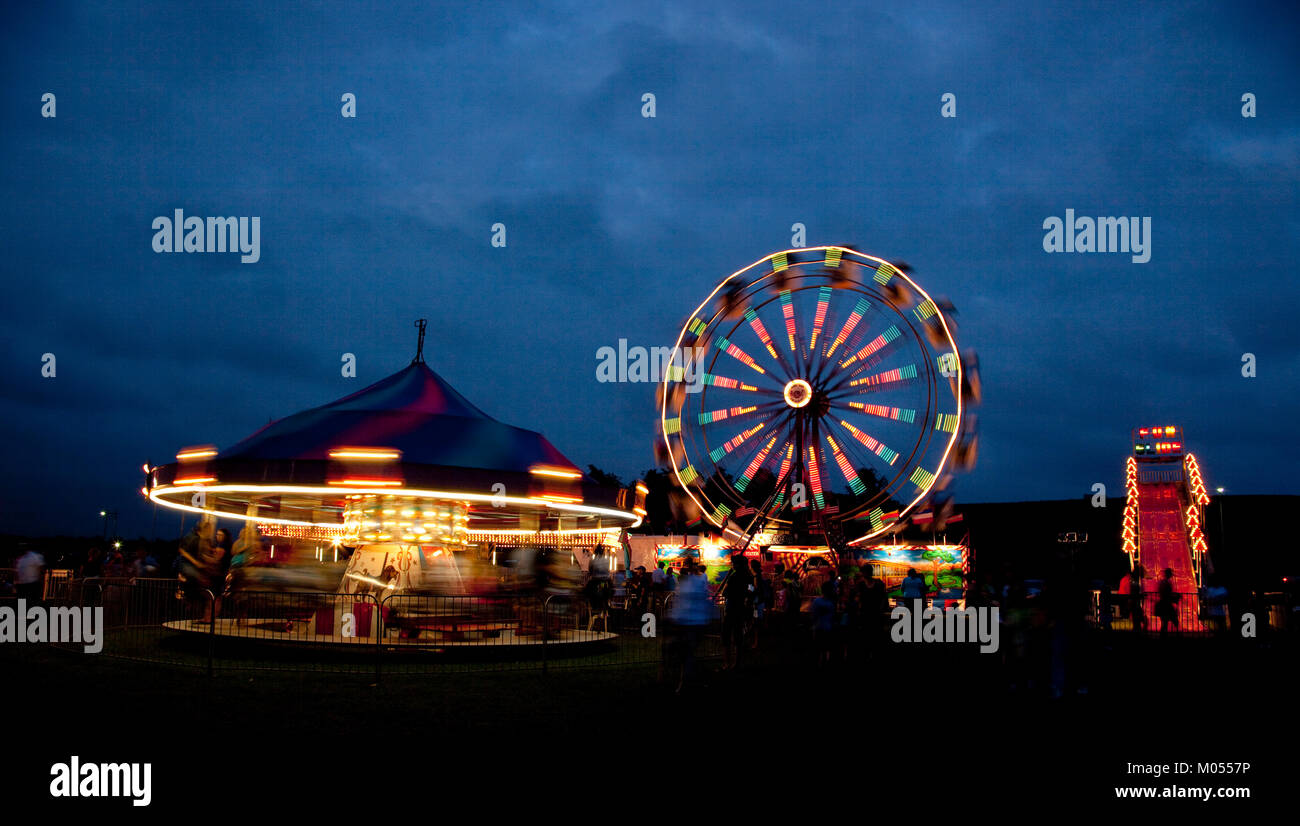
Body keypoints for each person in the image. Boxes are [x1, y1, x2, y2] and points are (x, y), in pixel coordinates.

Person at [668, 559, 713, 693]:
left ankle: (686, 682)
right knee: (687, 654)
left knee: (687, 654)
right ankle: (691, 679)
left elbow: (687, 602)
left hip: (694, 623)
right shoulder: (688, 584)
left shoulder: (695, 583)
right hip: (689, 622)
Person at [719, 553, 753, 670]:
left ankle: (727, 663)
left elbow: (725, 592)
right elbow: (751, 591)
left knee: (726, 636)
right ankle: (737, 662)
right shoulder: (749, 576)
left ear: (737, 565)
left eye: (734, 563)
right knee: (738, 636)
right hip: (742, 608)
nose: (732, 565)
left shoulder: (734, 577)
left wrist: (729, 586)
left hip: (732, 608)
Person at [811, 581, 837, 667]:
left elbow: (814, 616)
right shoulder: (831, 603)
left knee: (819, 649)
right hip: (828, 628)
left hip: (818, 627)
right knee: (827, 649)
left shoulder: (816, 601)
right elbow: (833, 616)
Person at [1155, 567, 1180, 635]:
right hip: (1166, 605)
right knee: (1173, 621)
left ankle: (1163, 635)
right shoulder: (1166, 583)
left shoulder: (1163, 582)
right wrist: (1174, 597)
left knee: (1164, 622)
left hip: (1163, 604)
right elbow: (1167, 594)